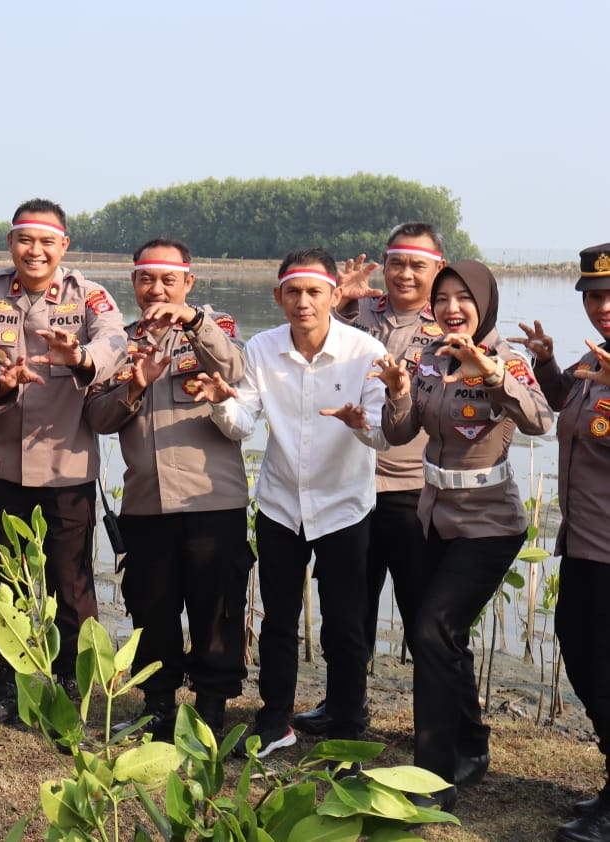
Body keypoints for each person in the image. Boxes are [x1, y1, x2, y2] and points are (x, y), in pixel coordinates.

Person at [374, 259, 551, 810]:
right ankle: (472, 744)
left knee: (432, 630)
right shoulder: (427, 356)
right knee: (444, 636)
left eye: (463, 299)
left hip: (489, 523)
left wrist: (491, 373)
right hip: (433, 516)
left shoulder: (506, 360)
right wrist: (399, 392)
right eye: (442, 298)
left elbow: (539, 421)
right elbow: (398, 433)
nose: (451, 308)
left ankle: (434, 776)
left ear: (485, 304)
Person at [202, 247, 388, 760]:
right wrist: (221, 401)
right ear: (277, 295)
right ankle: (275, 720)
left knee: (345, 624)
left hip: (344, 505)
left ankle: (348, 722)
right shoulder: (262, 348)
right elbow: (242, 423)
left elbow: (383, 436)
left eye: (314, 292)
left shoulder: (365, 351)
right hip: (281, 503)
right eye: (293, 292)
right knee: (278, 620)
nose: (303, 302)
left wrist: (361, 424)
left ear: (334, 294)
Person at [0, 198, 127, 731]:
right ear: (11, 243)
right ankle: (4, 689)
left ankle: (71, 689)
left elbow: (115, 340)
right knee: (0, 580)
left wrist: (81, 357)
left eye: (47, 242)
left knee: (70, 583)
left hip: (67, 466)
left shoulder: (88, 295)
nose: (35, 251)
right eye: (26, 240)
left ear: (63, 246)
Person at [84, 238, 248, 739]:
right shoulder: (119, 343)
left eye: (168, 280)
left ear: (188, 283)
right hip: (146, 502)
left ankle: (212, 710)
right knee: (151, 607)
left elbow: (236, 371)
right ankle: (158, 705)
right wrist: (134, 385)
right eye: (146, 279)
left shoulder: (216, 328)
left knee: (216, 609)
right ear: (133, 282)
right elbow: (97, 416)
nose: (156, 289)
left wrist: (193, 322)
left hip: (211, 499)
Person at [292, 223, 448, 736]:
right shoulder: (358, 311)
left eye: (418, 265)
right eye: (397, 262)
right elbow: (307, 348)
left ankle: (437, 725)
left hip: (410, 488)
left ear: (439, 269)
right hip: (345, 485)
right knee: (345, 611)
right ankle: (344, 708)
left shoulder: (450, 324)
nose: (405, 274)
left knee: (423, 613)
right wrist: (338, 303)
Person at [515, 243, 610, 842]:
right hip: (583, 542)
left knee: (602, 666)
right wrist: (547, 366)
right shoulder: (593, 360)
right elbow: (566, 407)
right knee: (582, 653)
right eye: (595, 296)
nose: (603, 307)